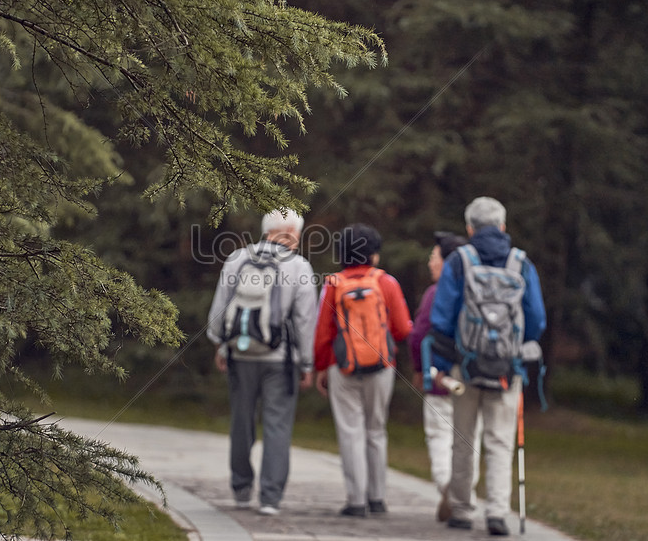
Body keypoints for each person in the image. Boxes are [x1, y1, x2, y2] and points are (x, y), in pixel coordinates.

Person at [430, 197, 546, 536]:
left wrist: (442, 363)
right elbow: (536, 318)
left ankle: (462, 510)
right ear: (503, 226)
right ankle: (497, 512)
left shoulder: (458, 261)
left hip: (464, 367)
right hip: (507, 370)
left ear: (469, 228)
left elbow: (442, 318)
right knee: (500, 441)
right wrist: (515, 354)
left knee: (463, 440)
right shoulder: (521, 264)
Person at [206, 209, 318, 516]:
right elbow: (306, 320)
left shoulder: (238, 258)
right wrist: (307, 363)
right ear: (293, 233)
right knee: (277, 425)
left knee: (241, 420)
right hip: (280, 361)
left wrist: (220, 345)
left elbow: (220, 306)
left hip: (240, 355)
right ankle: (270, 498)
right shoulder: (299, 267)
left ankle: (241, 489)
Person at [313, 223, 413, 518]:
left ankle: (355, 500)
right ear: (374, 255)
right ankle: (378, 498)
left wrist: (322, 366)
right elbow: (402, 328)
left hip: (342, 368)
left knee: (350, 431)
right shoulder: (387, 283)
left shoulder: (332, 283)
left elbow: (323, 332)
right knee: (375, 430)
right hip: (382, 366)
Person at [408, 231, 481, 523]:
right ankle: (462, 493)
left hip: (439, 378)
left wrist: (418, 368)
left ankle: (449, 488)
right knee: (470, 437)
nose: (429, 261)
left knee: (440, 437)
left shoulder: (435, 293)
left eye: (434, 256)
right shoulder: (478, 290)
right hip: (474, 376)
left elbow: (418, 334)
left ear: (448, 261)